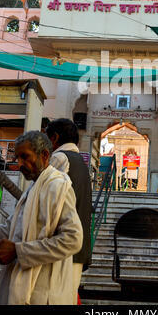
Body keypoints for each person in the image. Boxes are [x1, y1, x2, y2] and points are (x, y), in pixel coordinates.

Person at [0, 130, 83, 305]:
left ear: (44, 155)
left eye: (25, 157)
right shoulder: (33, 188)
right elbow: (10, 229)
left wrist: (17, 251)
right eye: (17, 157)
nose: (19, 163)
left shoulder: (58, 186)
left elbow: (73, 239)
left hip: (42, 292)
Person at [45, 118, 92, 305]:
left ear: (54, 138)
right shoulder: (79, 161)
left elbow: (51, 201)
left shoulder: (59, 158)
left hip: (61, 247)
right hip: (75, 247)